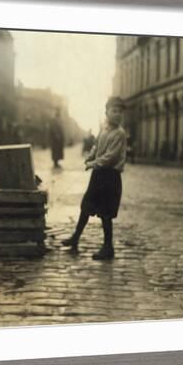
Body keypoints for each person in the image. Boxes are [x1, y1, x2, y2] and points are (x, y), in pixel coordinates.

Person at [61, 97, 127, 260]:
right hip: (98, 175)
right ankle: (75, 237)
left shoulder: (119, 134)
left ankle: (108, 247)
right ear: (107, 112)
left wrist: (93, 163)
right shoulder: (104, 129)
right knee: (86, 205)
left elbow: (111, 157)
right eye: (114, 111)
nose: (117, 115)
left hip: (110, 177)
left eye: (120, 112)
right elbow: (97, 146)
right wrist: (90, 156)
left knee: (106, 213)